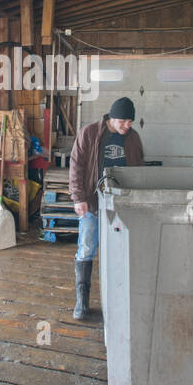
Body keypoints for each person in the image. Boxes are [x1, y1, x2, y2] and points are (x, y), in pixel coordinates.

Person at [68, 97, 144, 320]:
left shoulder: (133, 138)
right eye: (123, 121)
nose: (127, 126)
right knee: (87, 247)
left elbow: (139, 168)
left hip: (121, 204)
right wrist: (78, 197)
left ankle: (118, 300)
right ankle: (82, 301)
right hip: (92, 202)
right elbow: (76, 166)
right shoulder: (89, 133)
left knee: (121, 252)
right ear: (112, 117)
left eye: (130, 122)